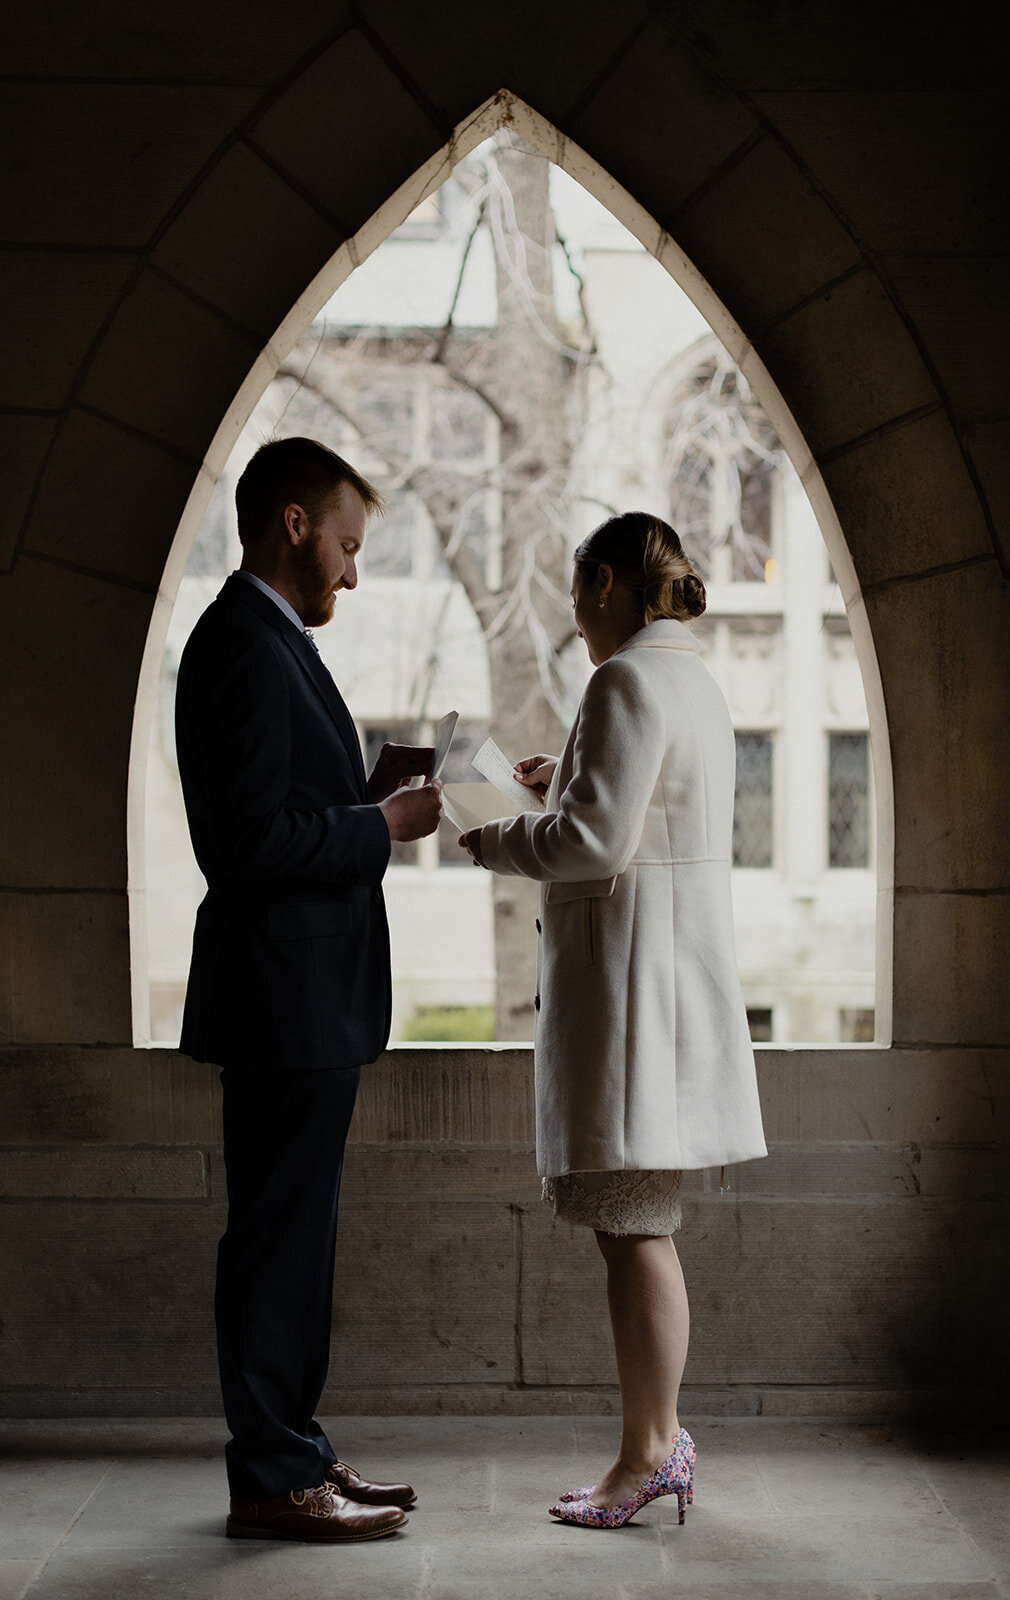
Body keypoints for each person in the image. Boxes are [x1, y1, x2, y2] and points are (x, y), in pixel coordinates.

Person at [460, 511, 766, 1530]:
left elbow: (592, 842)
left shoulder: (623, 679)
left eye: (574, 594)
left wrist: (495, 830)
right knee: (634, 1228)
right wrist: (570, 784)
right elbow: (635, 815)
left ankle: (649, 1453)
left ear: (602, 584)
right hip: (665, 990)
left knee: (635, 1231)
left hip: (637, 1000)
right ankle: (649, 1444)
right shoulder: (691, 680)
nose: (573, 619)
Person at [175, 436, 442, 1543]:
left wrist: (362, 801)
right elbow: (240, 840)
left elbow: (283, 802)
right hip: (283, 1000)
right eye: (342, 543)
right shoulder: (240, 641)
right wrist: (375, 825)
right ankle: (277, 1477)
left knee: (294, 1241)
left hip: (307, 999)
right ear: (291, 524)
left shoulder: (268, 637)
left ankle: (297, 1453)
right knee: (276, 1246)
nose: (350, 570)